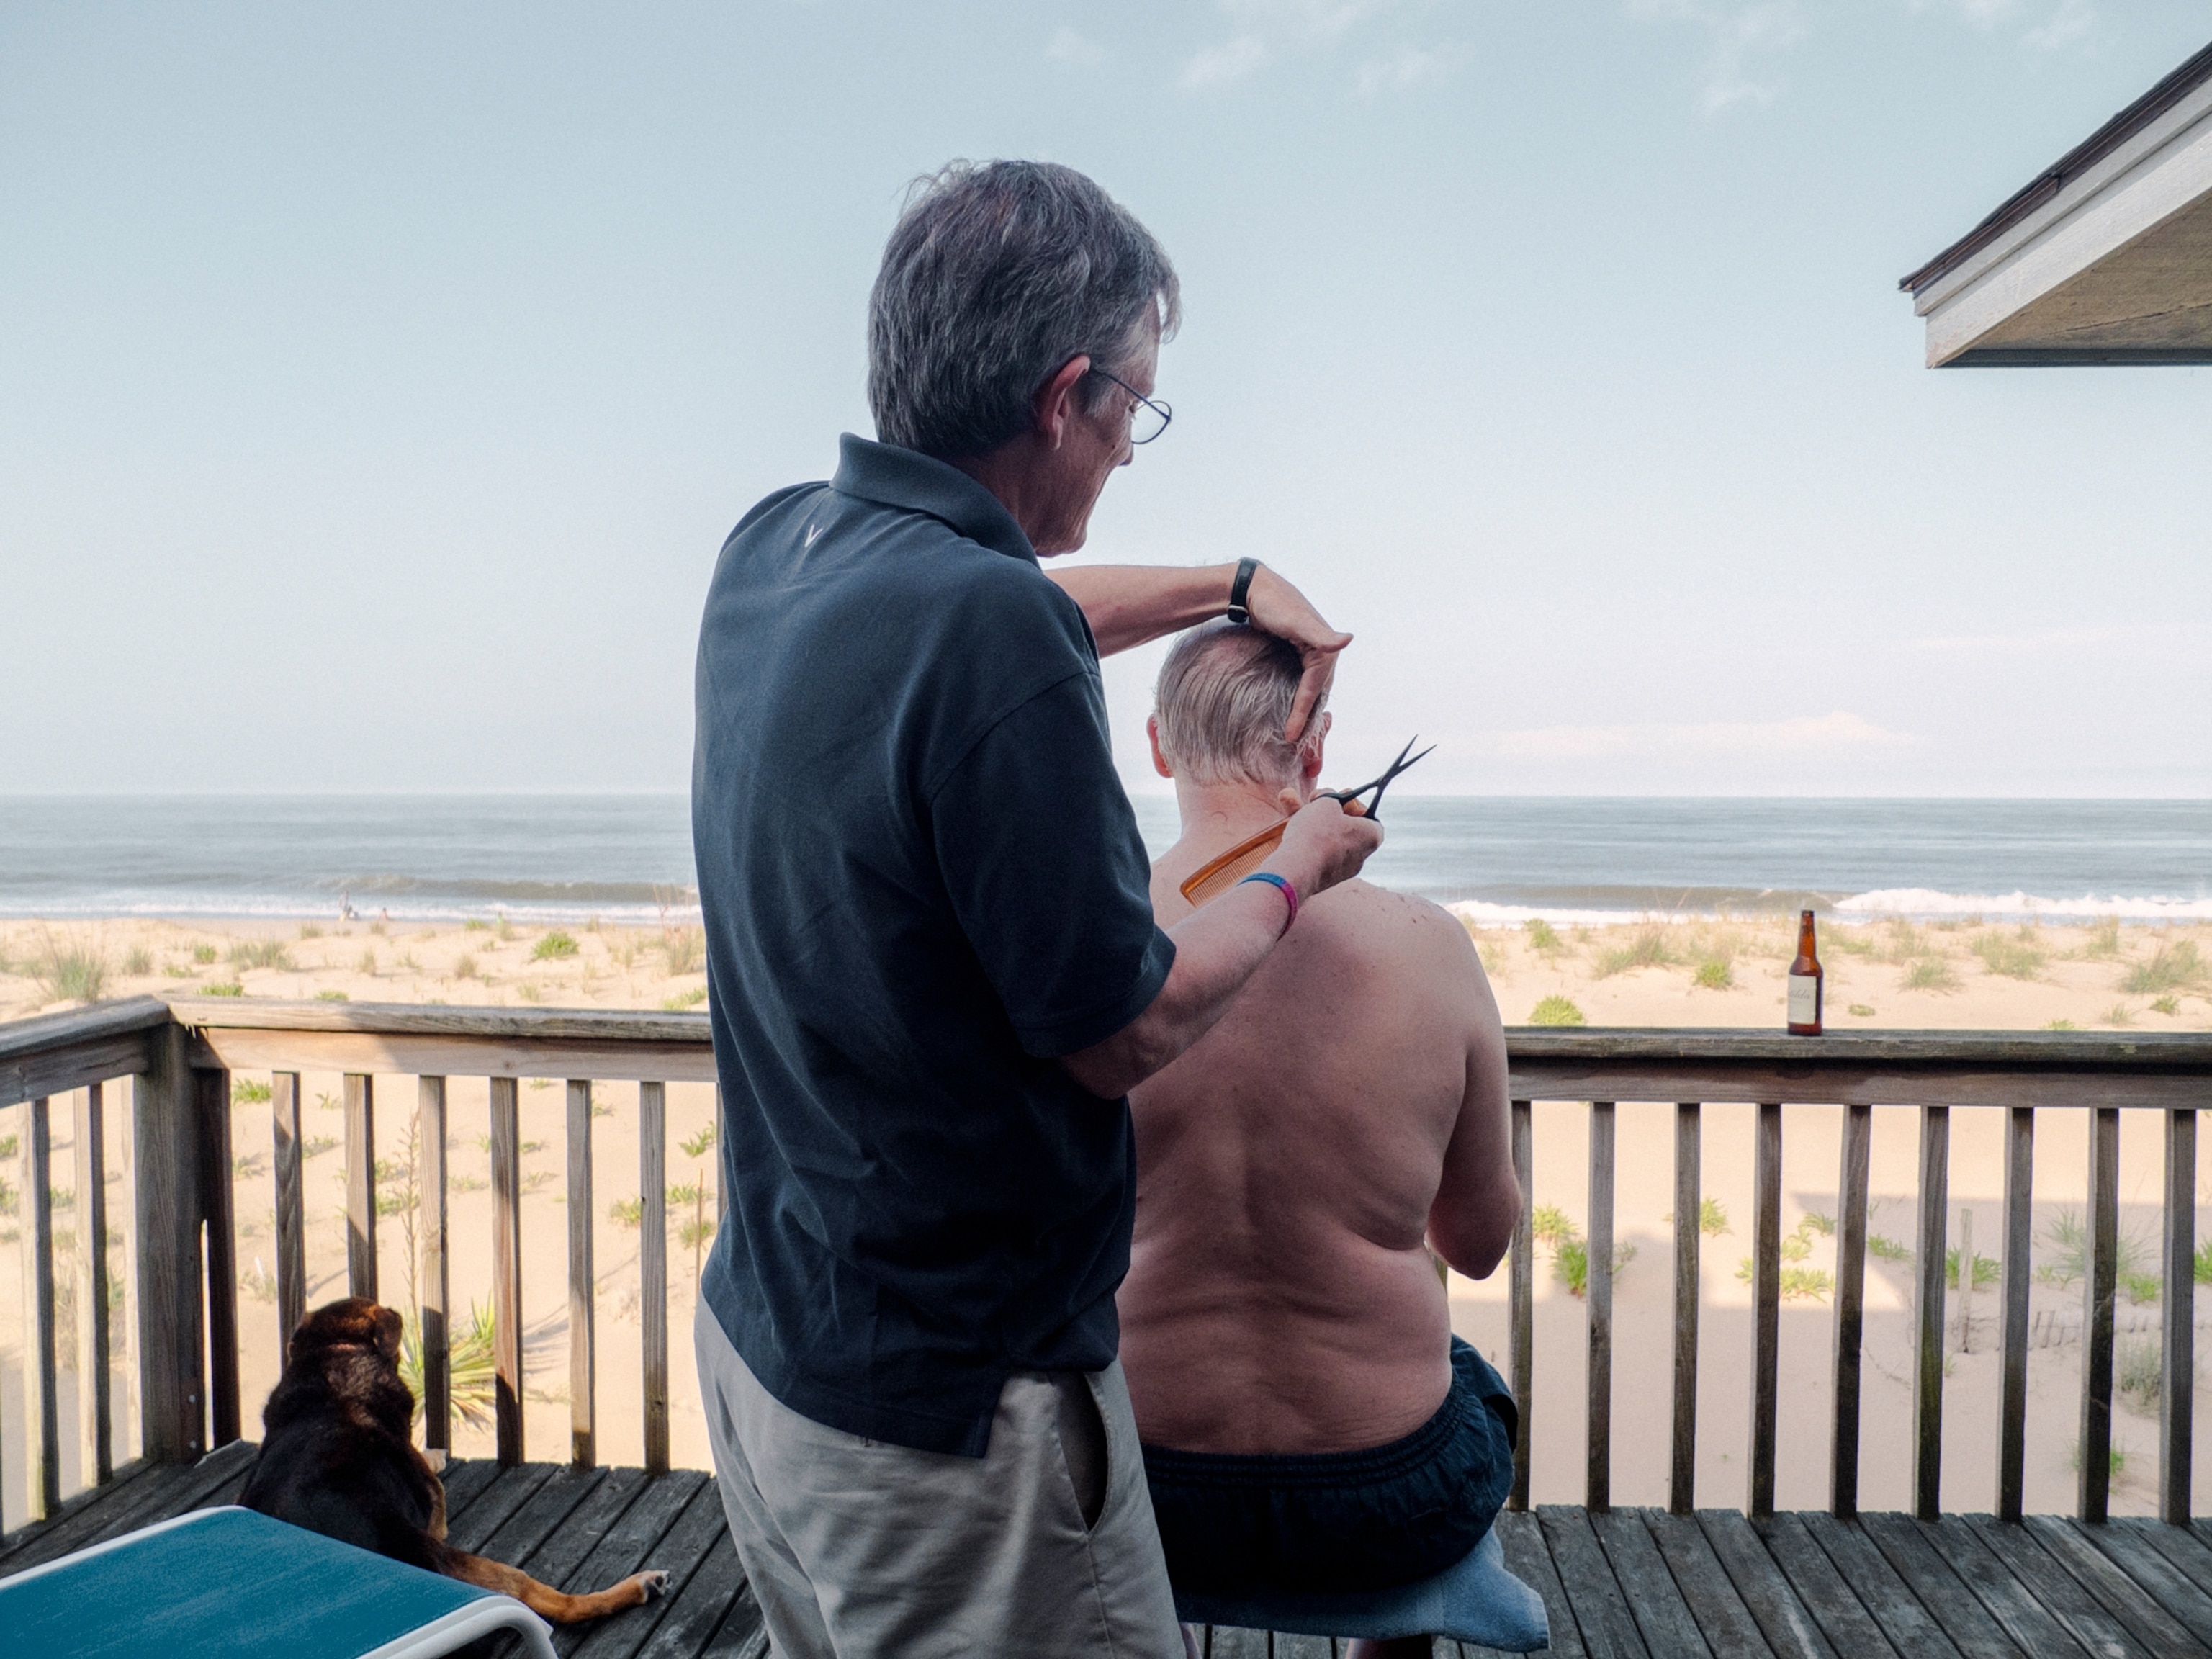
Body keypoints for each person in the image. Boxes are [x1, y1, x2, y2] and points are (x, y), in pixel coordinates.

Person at [689, 161, 1382, 1659]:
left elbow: (1003, 613)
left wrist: (1230, 582)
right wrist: (1297, 866)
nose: (1134, 445)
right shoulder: (979, 625)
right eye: (1138, 405)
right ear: (1067, 397)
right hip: (954, 1422)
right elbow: (1123, 1030)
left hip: (770, 1349)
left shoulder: (776, 550)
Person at [1120, 622, 1521, 1659]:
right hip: (1383, 1497)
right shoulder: (1429, 948)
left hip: (1143, 1487)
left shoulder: (1094, 949)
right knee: (1472, 1385)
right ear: (1318, 750)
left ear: (1160, 745)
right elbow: (1478, 1244)